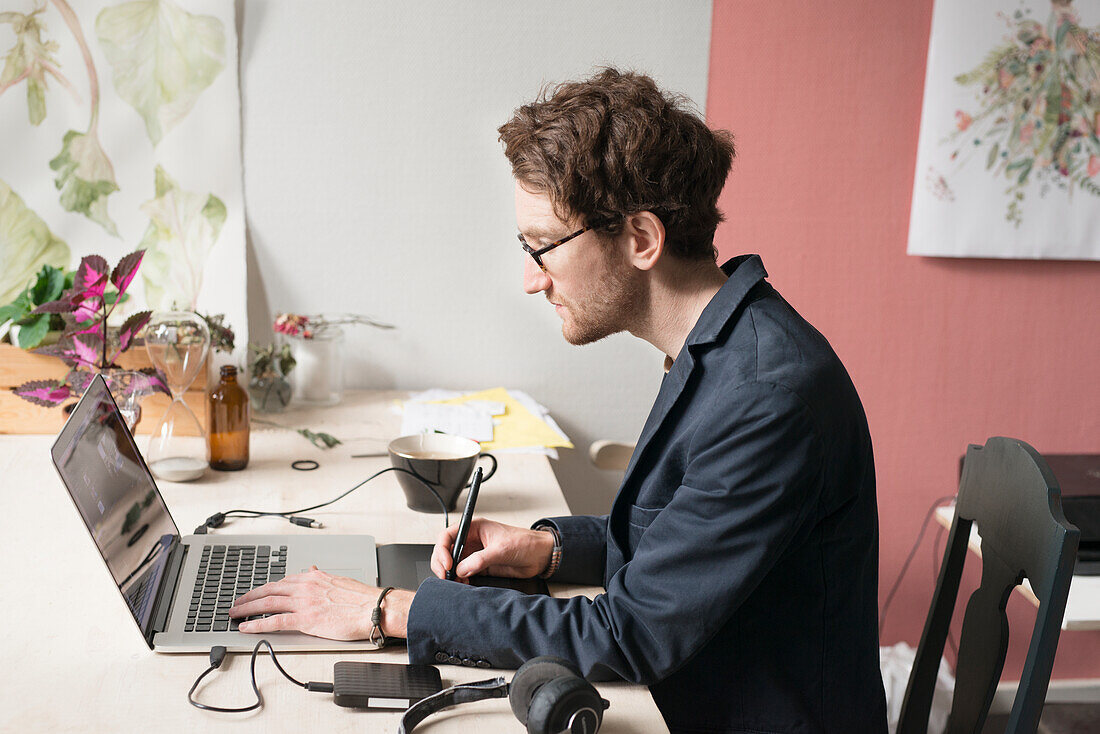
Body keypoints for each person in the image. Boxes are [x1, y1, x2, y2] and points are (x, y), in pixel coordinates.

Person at [230, 68, 888, 734]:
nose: (529, 279)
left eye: (543, 246)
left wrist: (390, 611)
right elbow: (678, 543)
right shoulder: (725, 344)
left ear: (641, 240)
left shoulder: (768, 397)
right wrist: (545, 550)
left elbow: (631, 633)